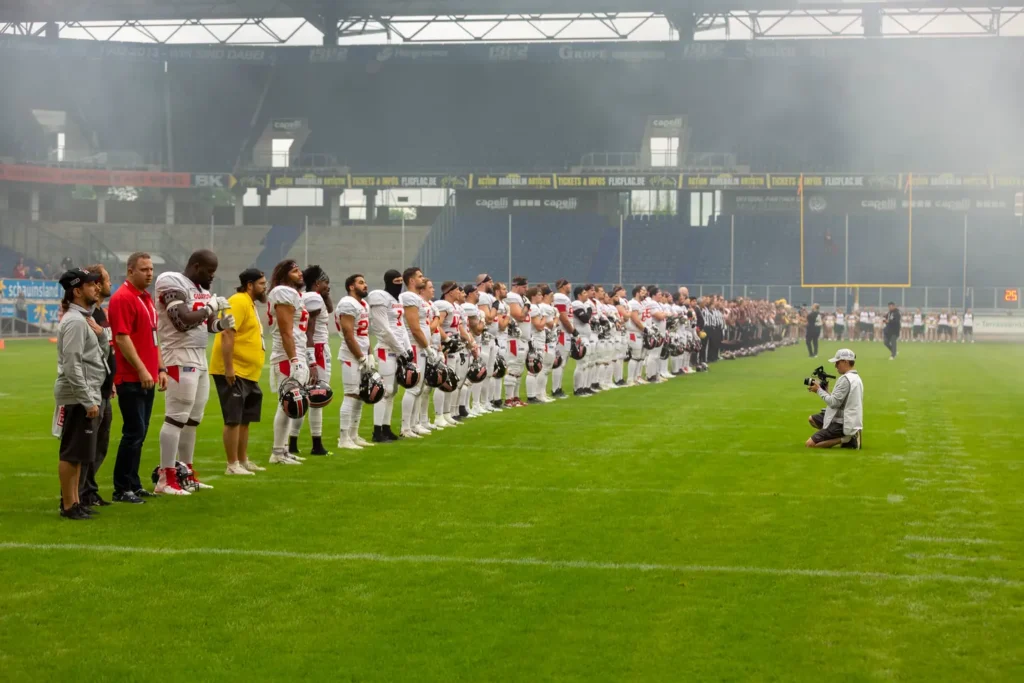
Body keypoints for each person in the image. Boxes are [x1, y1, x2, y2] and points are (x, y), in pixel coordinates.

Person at [154, 249, 233, 495]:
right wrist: (209, 309)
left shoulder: (202, 289)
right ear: (196, 266)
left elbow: (202, 323)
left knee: (192, 419)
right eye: (209, 272)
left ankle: (185, 474)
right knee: (176, 416)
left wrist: (219, 325)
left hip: (199, 355)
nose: (212, 277)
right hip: (178, 355)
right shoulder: (171, 281)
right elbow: (181, 320)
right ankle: (165, 478)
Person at [109, 252, 166, 504]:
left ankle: (133, 482)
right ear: (130, 271)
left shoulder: (146, 298)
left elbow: (154, 337)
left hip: (147, 376)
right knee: (133, 432)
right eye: (144, 269)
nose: (149, 273)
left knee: (140, 433)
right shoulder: (123, 298)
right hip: (131, 376)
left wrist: (160, 368)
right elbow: (121, 338)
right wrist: (143, 369)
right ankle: (121, 488)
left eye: (151, 269)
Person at [53, 268, 107, 519]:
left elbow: (98, 356)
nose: (96, 288)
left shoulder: (83, 319)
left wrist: (101, 334)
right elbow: (72, 364)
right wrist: (87, 400)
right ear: (77, 291)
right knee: (71, 452)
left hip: (86, 392)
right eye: (90, 285)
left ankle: (74, 502)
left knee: (78, 454)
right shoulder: (75, 321)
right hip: (77, 396)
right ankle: (68, 505)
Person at [210, 268, 268, 476]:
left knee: (245, 419)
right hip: (235, 370)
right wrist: (229, 368)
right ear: (249, 285)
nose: (265, 287)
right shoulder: (238, 300)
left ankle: (243, 460)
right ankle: (232, 464)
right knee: (233, 418)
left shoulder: (249, 303)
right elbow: (227, 333)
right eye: (261, 283)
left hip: (249, 372)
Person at [75, 265, 114, 508]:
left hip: (104, 387)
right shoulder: (88, 316)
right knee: (85, 445)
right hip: (93, 389)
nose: (109, 284)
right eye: (107, 280)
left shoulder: (99, 313)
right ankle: (75, 495)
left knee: (100, 444)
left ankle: (88, 489)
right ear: (97, 284)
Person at [267, 259, 309, 465]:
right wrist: (294, 359)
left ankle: (283, 450)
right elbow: (285, 330)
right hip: (287, 355)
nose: (300, 273)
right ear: (284, 275)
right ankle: (277, 453)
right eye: (294, 271)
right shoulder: (283, 292)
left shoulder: (293, 293)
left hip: (296, 352)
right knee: (286, 403)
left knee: (290, 403)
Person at [291, 265, 334, 456]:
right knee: (317, 395)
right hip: (316, 348)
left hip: (319, 347)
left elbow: (330, 309)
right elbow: (309, 331)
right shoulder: (313, 298)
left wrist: (324, 292)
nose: (329, 286)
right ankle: (315, 443)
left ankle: (293, 443)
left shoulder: (318, 298)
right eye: (325, 282)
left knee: (310, 396)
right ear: (317, 283)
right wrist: (312, 361)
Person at [335, 273, 374, 450]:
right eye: (360, 283)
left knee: (360, 396)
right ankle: (343, 439)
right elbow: (348, 335)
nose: (365, 285)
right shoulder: (347, 303)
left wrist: (370, 354)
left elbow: (364, 335)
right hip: (351, 355)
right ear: (351, 286)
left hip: (363, 354)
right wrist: (360, 356)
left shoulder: (363, 304)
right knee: (351, 394)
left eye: (364, 282)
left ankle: (353, 435)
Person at [399, 267, 434, 438]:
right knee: (413, 387)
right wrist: (427, 347)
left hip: (421, 345)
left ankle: (413, 424)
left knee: (419, 388)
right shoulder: (409, 297)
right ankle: (406, 427)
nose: (423, 278)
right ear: (411, 281)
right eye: (419, 276)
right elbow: (414, 327)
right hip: (414, 345)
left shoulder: (416, 298)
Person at [806, 348, 863, 449]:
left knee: (810, 445)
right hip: (846, 417)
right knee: (812, 419)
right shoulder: (855, 377)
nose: (835, 366)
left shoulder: (845, 380)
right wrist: (826, 391)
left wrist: (819, 390)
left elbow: (833, 403)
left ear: (845, 362)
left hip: (842, 422)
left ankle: (847, 439)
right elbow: (840, 401)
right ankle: (838, 436)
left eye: (837, 363)